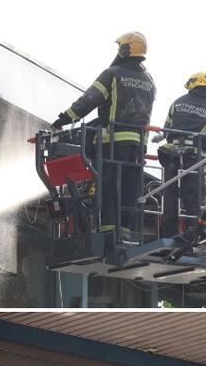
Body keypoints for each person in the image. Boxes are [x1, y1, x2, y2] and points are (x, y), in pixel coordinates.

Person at [51, 32, 155, 241]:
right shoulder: (149, 80)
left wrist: (63, 119)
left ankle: (107, 232)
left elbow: (89, 100)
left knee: (108, 188)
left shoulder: (112, 74)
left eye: (120, 48)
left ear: (126, 50)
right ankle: (126, 234)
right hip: (137, 145)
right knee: (129, 191)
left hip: (112, 142)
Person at [159, 72, 206, 234]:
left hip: (171, 152)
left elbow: (166, 129)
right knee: (192, 195)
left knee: (170, 193)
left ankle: (168, 233)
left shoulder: (178, 102)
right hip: (194, 155)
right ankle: (191, 234)